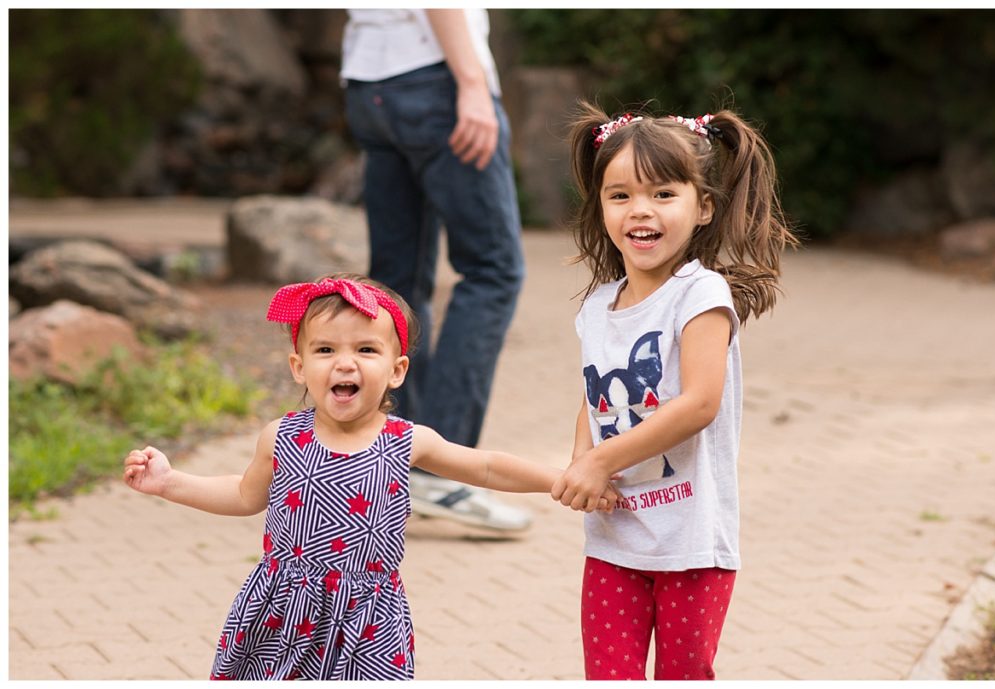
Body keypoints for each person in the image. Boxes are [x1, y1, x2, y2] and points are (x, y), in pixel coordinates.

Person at [123, 273, 617, 680]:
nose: (345, 362)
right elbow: (242, 494)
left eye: (365, 349)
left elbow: (485, 466)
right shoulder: (281, 438)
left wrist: (564, 478)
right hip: (280, 615)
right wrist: (170, 482)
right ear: (298, 366)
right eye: (324, 351)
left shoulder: (406, 441)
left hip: (369, 621)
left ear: (396, 370)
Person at [551, 102, 800, 680]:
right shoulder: (597, 308)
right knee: (608, 675)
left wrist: (602, 460)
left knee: (682, 676)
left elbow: (699, 403)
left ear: (703, 206)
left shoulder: (700, 295)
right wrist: (580, 463)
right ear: (602, 208)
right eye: (621, 196)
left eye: (663, 194)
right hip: (614, 539)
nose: (641, 210)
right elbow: (592, 395)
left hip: (690, 544)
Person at [340, 9, 530, 532]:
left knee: (396, 284)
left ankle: (385, 463)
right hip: (435, 76)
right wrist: (470, 81)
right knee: (493, 270)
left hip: (369, 82)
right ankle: (439, 467)